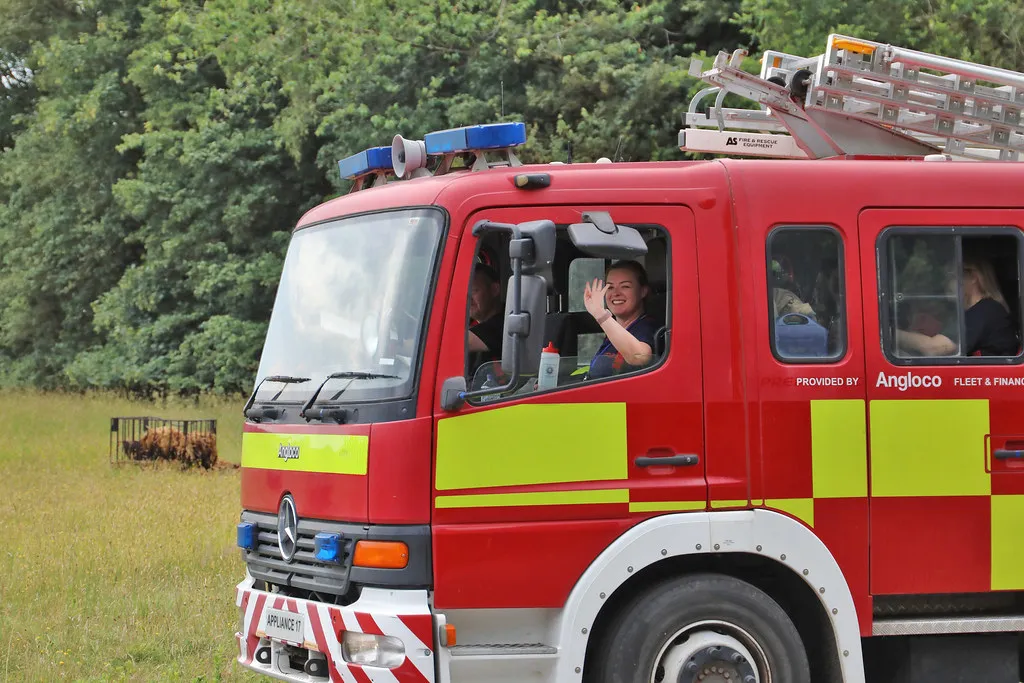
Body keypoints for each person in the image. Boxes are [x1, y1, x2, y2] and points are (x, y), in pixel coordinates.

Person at [896, 256, 1018, 357]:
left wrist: (893, 335)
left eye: (950, 276)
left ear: (972, 278)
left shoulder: (985, 312)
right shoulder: (975, 312)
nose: (945, 283)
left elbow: (936, 348)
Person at [583, 260, 660, 379]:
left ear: (643, 291)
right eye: (610, 287)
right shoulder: (615, 328)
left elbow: (639, 357)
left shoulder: (647, 327)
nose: (616, 293)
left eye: (625, 286)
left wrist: (601, 315)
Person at [466, 263, 505, 377]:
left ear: (494, 289)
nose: (467, 299)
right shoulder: (475, 325)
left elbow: (452, 342)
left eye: (473, 291)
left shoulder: (504, 324)